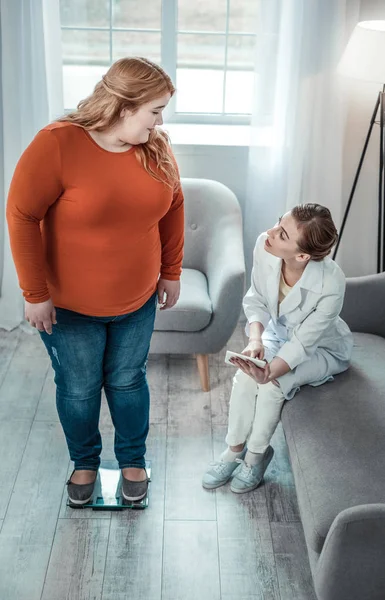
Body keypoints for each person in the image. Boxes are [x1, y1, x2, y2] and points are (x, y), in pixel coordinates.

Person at [7, 57, 184, 506]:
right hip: (68, 307)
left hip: (138, 299)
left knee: (127, 381)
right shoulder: (58, 143)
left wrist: (171, 271)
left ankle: (132, 460)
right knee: (79, 389)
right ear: (126, 105)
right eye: (156, 110)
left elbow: (175, 205)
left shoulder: (154, 146)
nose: (161, 120)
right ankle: (84, 462)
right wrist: (34, 293)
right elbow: (22, 215)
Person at [202, 204, 353, 494]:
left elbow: (304, 343)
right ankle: (234, 452)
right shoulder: (266, 245)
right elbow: (256, 298)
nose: (270, 233)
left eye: (282, 234)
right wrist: (255, 340)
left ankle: (256, 457)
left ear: (302, 255)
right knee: (246, 374)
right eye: (277, 223)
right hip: (277, 334)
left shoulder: (332, 282)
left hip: (322, 348)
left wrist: (271, 371)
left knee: (272, 385)